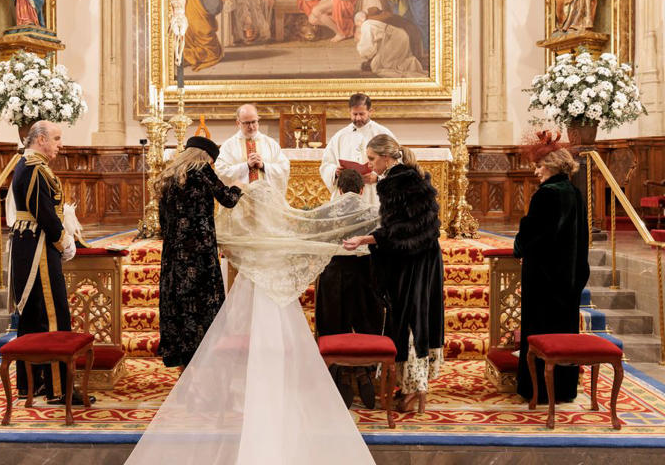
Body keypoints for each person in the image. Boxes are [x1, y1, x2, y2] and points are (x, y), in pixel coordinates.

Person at [124, 179, 379, 465]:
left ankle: (252, 407)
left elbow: (224, 245)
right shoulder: (279, 236)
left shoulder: (243, 239)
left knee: (255, 355)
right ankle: (279, 410)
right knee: (279, 356)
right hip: (280, 307)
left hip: (252, 305)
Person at [343, 133, 444, 414]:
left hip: (415, 261)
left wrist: (364, 240)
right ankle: (411, 385)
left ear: (387, 157)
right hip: (422, 256)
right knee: (414, 316)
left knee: (411, 319)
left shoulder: (397, 183)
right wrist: (379, 181)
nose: (369, 164)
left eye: (373, 159)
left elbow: (399, 231)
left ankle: (414, 388)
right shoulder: (403, 177)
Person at [9, 120, 92, 405]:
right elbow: (43, 212)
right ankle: (57, 388)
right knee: (52, 315)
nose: (60, 144)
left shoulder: (33, 165)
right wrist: (63, 240)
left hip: (34, 244)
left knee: (36, 314)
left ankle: (33, 384)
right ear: (41, 139)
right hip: (39, 249)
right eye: (56, 138)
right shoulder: (33, 168)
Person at [515, 131, 590, 403]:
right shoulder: (574, 192)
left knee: (540, 333)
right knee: (563, 332)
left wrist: (519, 247)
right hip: (568, 277)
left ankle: (538, 392)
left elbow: (534, 234)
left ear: (550, 165)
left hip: (543, 279)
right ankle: (565, 388)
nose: (536, 171)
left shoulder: (546, 194)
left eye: (538, 166)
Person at [156, 136, 242, 369]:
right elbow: (228, 200)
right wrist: (238, 187)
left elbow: (162, 223)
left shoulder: (168, 176)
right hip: (199, 253)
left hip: (174, 253)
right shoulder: (202, 171)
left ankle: (184, 366)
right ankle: (203, 363)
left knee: (180, 304)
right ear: (205, 157)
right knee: (201, 305)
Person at [316, 168, 382, 409]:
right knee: (365, 324)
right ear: (363, 190)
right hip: (365, 276)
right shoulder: (373, 211)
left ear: (339, 190)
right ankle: (364, 371)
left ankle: (341, 374)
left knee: (334, 324)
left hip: (334, 276)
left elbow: (315, 238)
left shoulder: (327, 211)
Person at [320, 93, 396, 206]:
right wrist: (335, 172)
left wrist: (378, 178)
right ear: (349, 112)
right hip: (347, 194)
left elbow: (397, 164)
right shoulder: (340, 136)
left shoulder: (382, 133)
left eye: (362, 114)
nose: (358, 118)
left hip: (374, 192)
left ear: (371, 111)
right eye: (354, 114)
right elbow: (326, 164)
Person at [215, 103, 290, 193]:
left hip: (266, 198)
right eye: (246, 123)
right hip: (240, 200)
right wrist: (246, 166)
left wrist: (264, 166)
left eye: (254, 121)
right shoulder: (228, 146)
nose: (251, 127)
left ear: (258, 120)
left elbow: (284, 168)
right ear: (238, 123)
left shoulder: (270, 143)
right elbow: (221, 172)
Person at [144, 0, 215, 65]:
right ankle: (177, 55)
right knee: (176, 36)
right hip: (175, 17)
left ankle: (180, 55)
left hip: (182, 17)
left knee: (181, 36)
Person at [183, 0, 225, 72]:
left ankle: (187, 55)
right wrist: (221, 1)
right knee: (214, 53)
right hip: (201, 27)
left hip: (188, 27)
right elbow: (213, 8)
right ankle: (194, 56)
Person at [355, 10, 424, 77]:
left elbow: (367, 49)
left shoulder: (366, 25)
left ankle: (404, 75)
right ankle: (410, 64)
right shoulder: (374, 22)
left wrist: (360, 48)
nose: (358, 28)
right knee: (394, 62)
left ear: (360, 21)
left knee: (379, 67)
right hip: (402, 36)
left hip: (396, 39)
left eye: (357, 25)